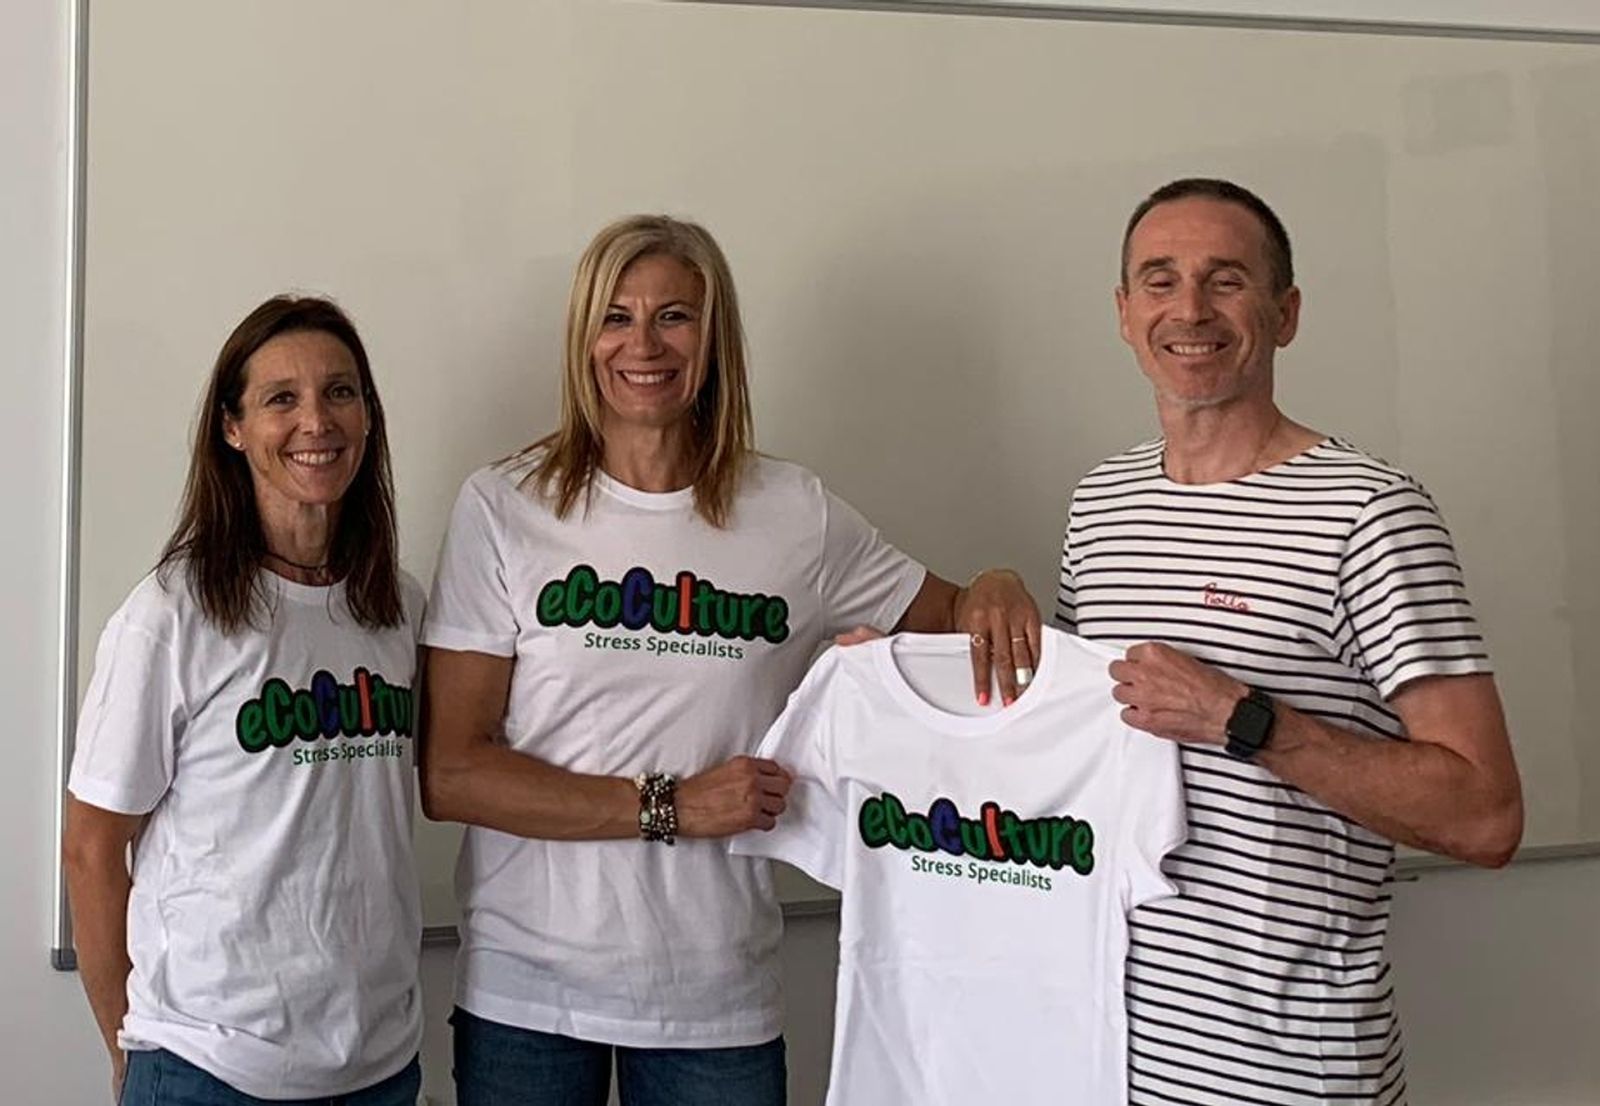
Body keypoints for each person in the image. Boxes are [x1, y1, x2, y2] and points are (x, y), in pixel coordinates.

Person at [421, 213, 1041, 1106]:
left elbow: (959, 622)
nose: (644, 344)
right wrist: (669, 806)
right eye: (617, 317)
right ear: (583, 338)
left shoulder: (794, 512)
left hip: (715, 1002)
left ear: (714, 341)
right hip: (529, 995)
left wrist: (996, 579)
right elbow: (452, 774)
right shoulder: (505, 508)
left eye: (674, 317)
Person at [1056, 177, 1523, 1104]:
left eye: (1226, 280)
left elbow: (1486, 816)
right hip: (1105, 1054)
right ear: (1122, 312)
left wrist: (1244, 718)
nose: (1189, 309)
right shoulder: (1100, 507)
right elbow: (1084, 755)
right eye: (1159, 281)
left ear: (1287, 312)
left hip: (1291, 1070)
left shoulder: (1370, 513)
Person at [63, 296, 425, 1106]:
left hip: (380, 1065)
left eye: (341, 392)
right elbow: (91, 847)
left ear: (368, 415)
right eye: (280, 399)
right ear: (233, 427)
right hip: (209, 1068)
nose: (316, 423)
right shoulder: (171, 617)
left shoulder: (397, 608)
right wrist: (128, 1037)